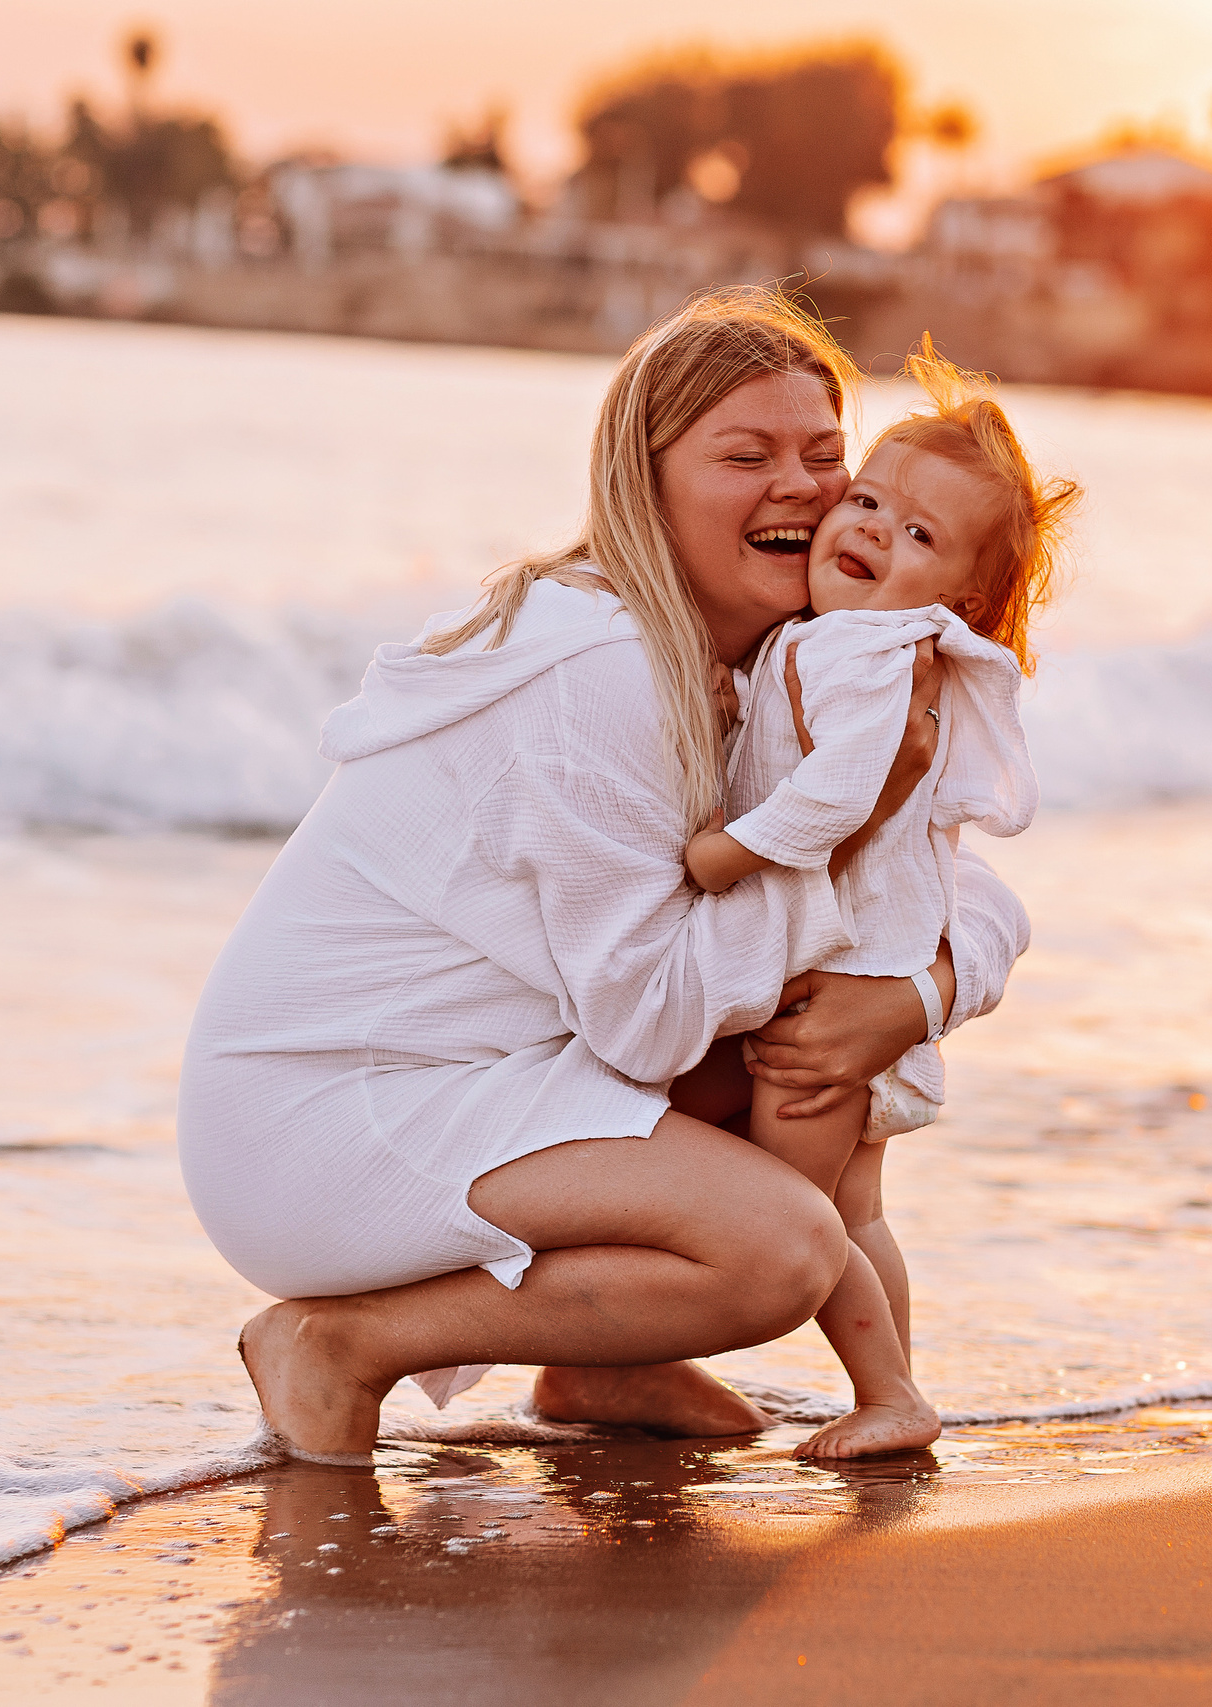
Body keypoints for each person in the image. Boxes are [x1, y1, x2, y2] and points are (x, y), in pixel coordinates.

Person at [176, 287, 1033, 1463]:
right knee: (782, 1246)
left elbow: (955, 879)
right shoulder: (598, 668)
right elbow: (645, 1021)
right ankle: (338, 1346)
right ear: (646, 482)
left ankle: (597, 1361)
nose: (802, 487)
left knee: (790, 1043)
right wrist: (838, 841)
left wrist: (916, 995)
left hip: (476, 1076)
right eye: (746, 455)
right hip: (317, 1122)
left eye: (825, 455)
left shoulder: (784, 662)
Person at [684, 342, 1078, 1458]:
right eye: (866, 500)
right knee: (853, 1212)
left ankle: (891, 1395)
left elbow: (832, 797)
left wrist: (725, 855)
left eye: (917, 536)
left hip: (835, 1000)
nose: (866, 531)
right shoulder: (841, 641)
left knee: (796, 1221)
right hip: (862, 974)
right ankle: (891, 1391)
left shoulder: (868, 655)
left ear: (962, 597)